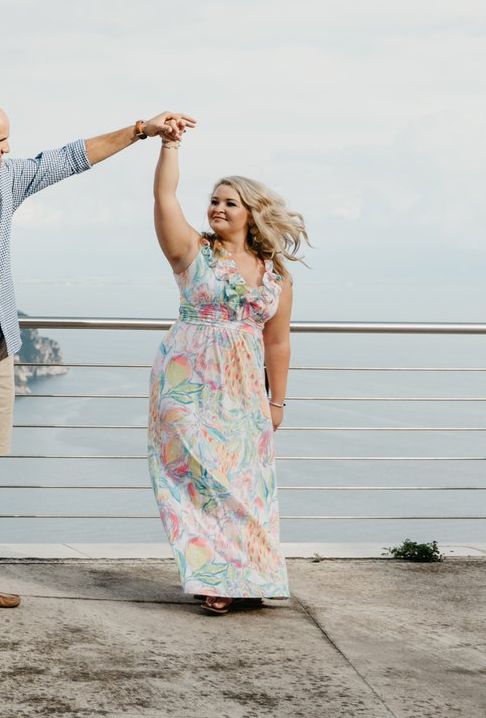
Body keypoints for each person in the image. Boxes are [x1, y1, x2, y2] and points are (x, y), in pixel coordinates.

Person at [0, 99, 195, 617]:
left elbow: (70, 158)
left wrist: (143, 130)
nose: (9, 150)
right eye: (2, 141)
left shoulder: (3, 183)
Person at [147, 128, 307, 613]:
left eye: (229, 203)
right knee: (201, 480)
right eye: (214, 200)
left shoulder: (275, 273)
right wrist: (169, 145)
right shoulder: (192, 251)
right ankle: (215, 578)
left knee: (247, 486)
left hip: (243, 393)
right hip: (187, 385)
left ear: (252, 212)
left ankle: (251, 574)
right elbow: (164, 194)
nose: (217, 208)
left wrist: (276, 401)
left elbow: (277, 341)